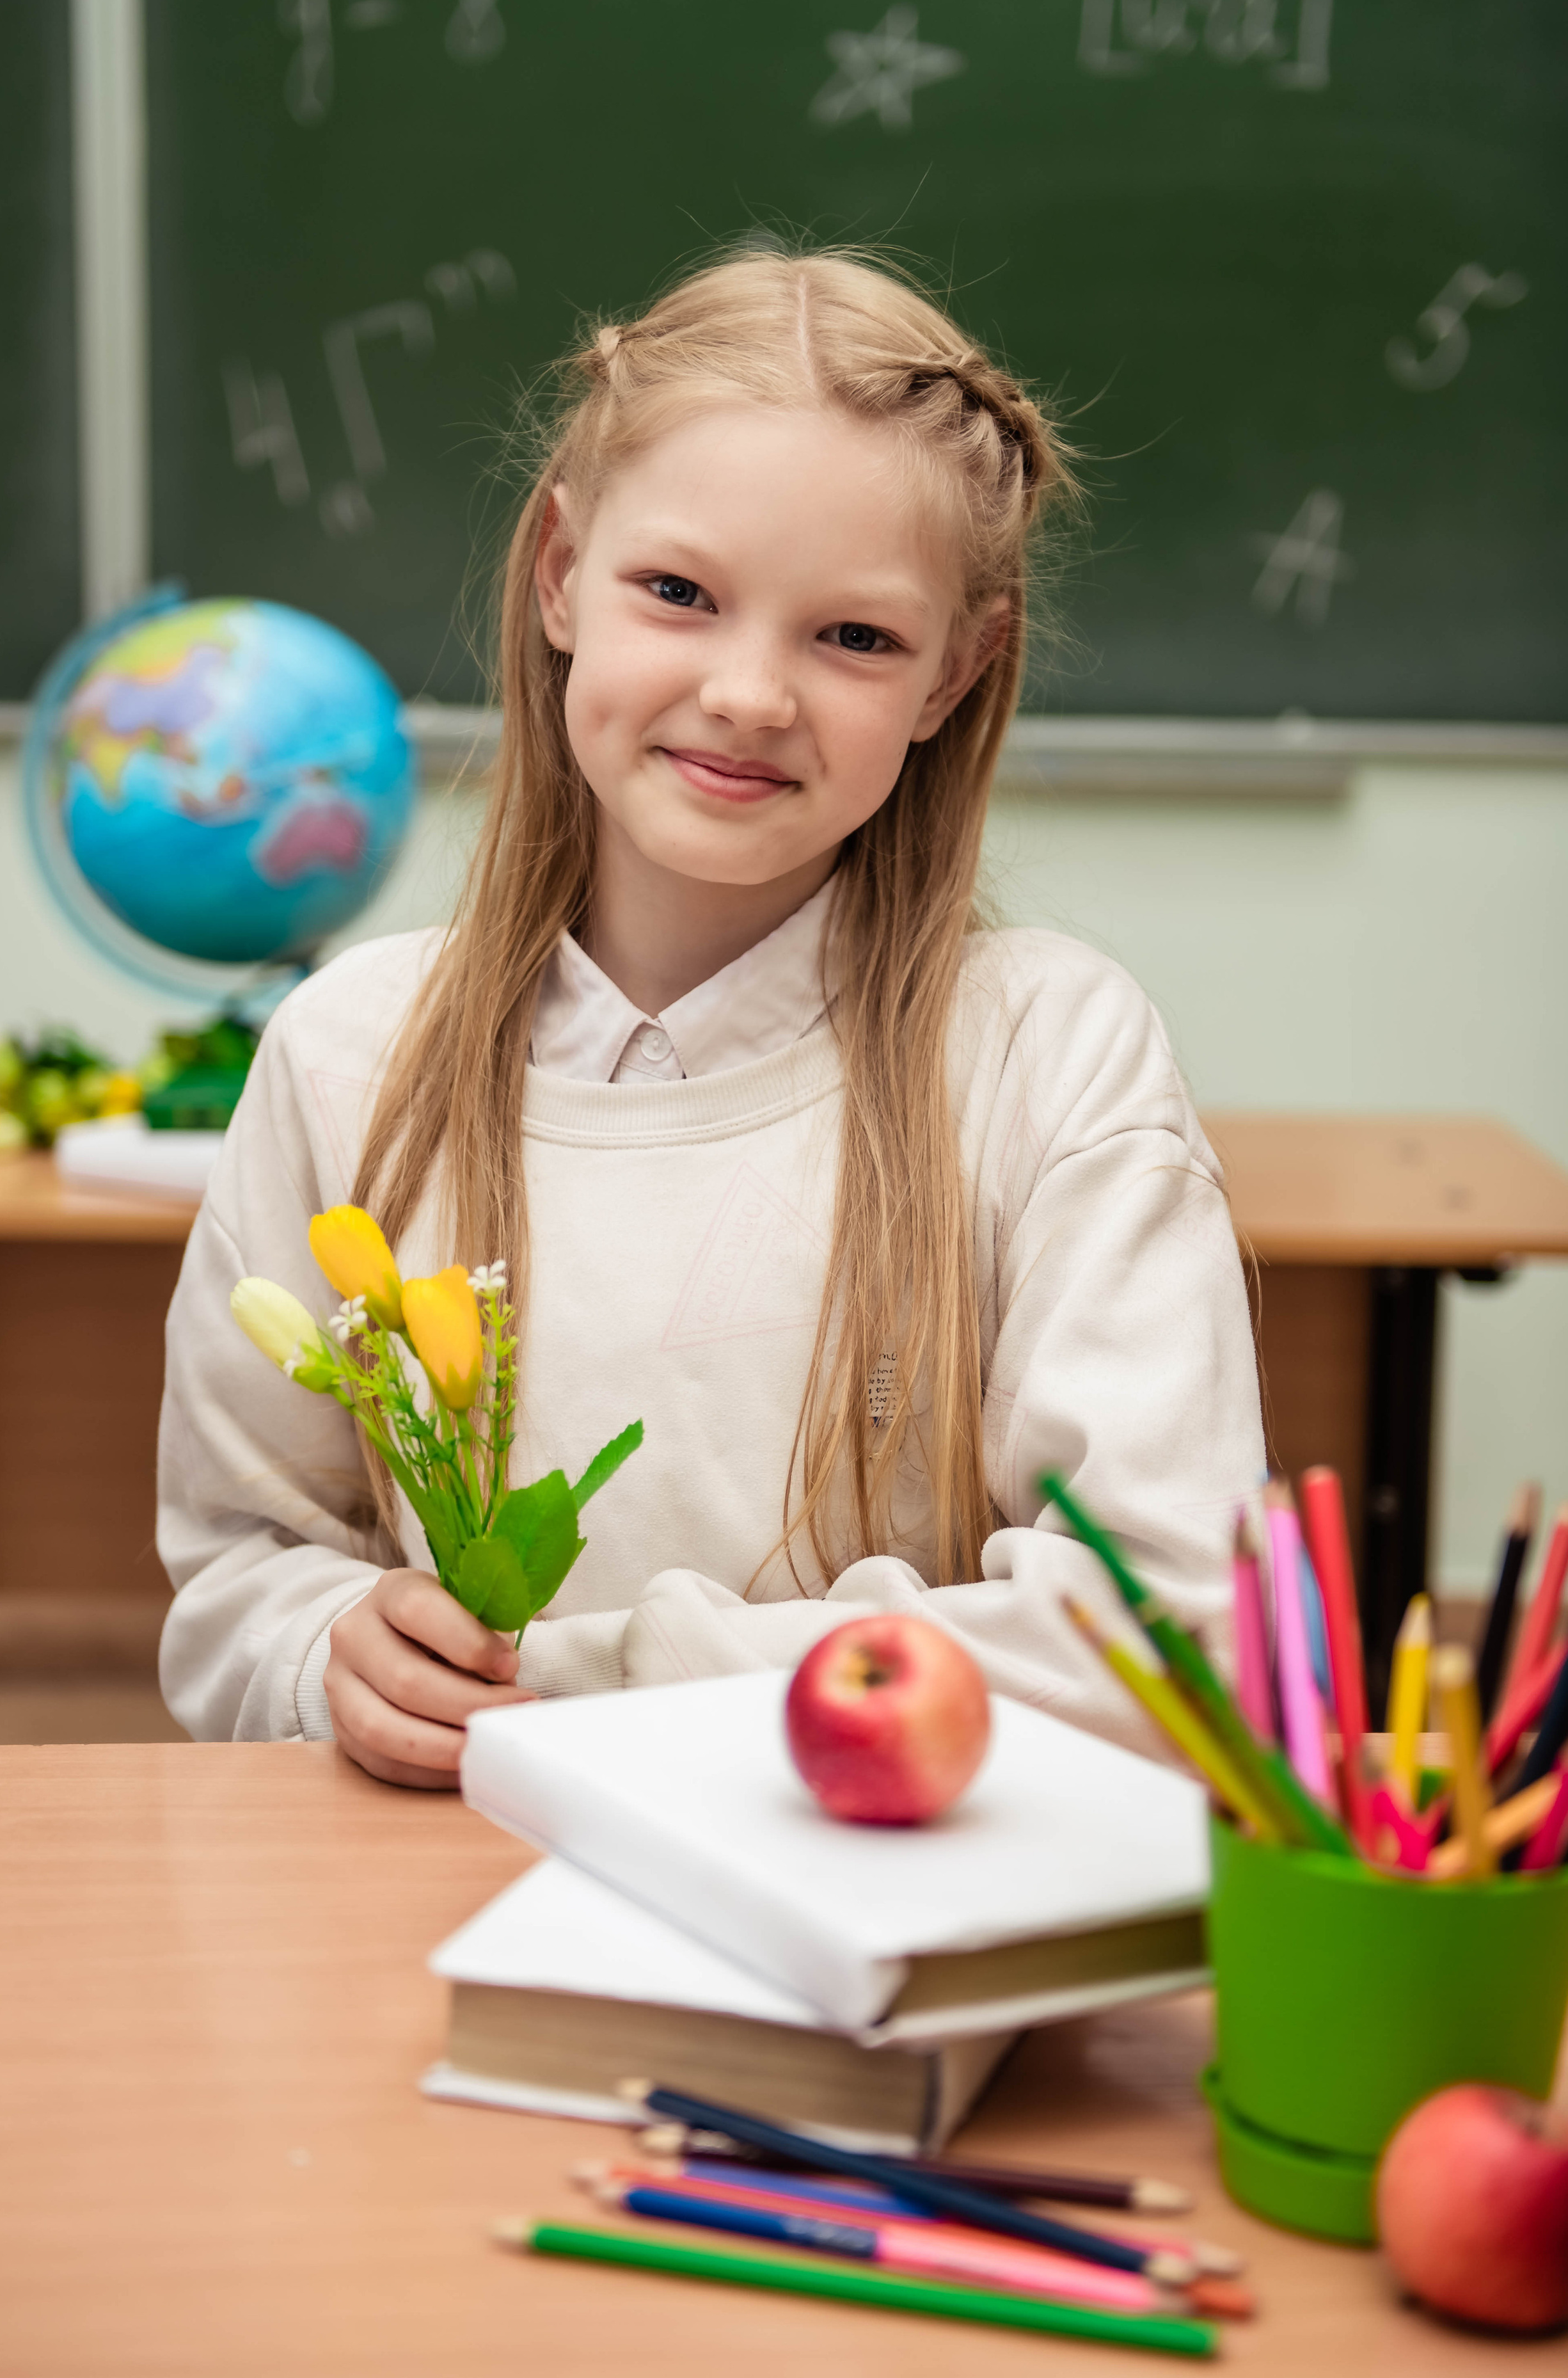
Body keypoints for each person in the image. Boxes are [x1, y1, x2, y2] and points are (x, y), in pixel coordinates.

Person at [157, 248, 1264, 1785]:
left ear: (958, 671)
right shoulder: (353, 1054)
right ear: (559, 574)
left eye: (854, 638)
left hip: (873, 1914)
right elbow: (239, 1576)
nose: (749, 694)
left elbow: (1173, 1641)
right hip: (434, 1896)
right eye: (677, 594)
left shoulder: (1048, 1056)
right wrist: (323, 1653)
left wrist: (602, 1680)